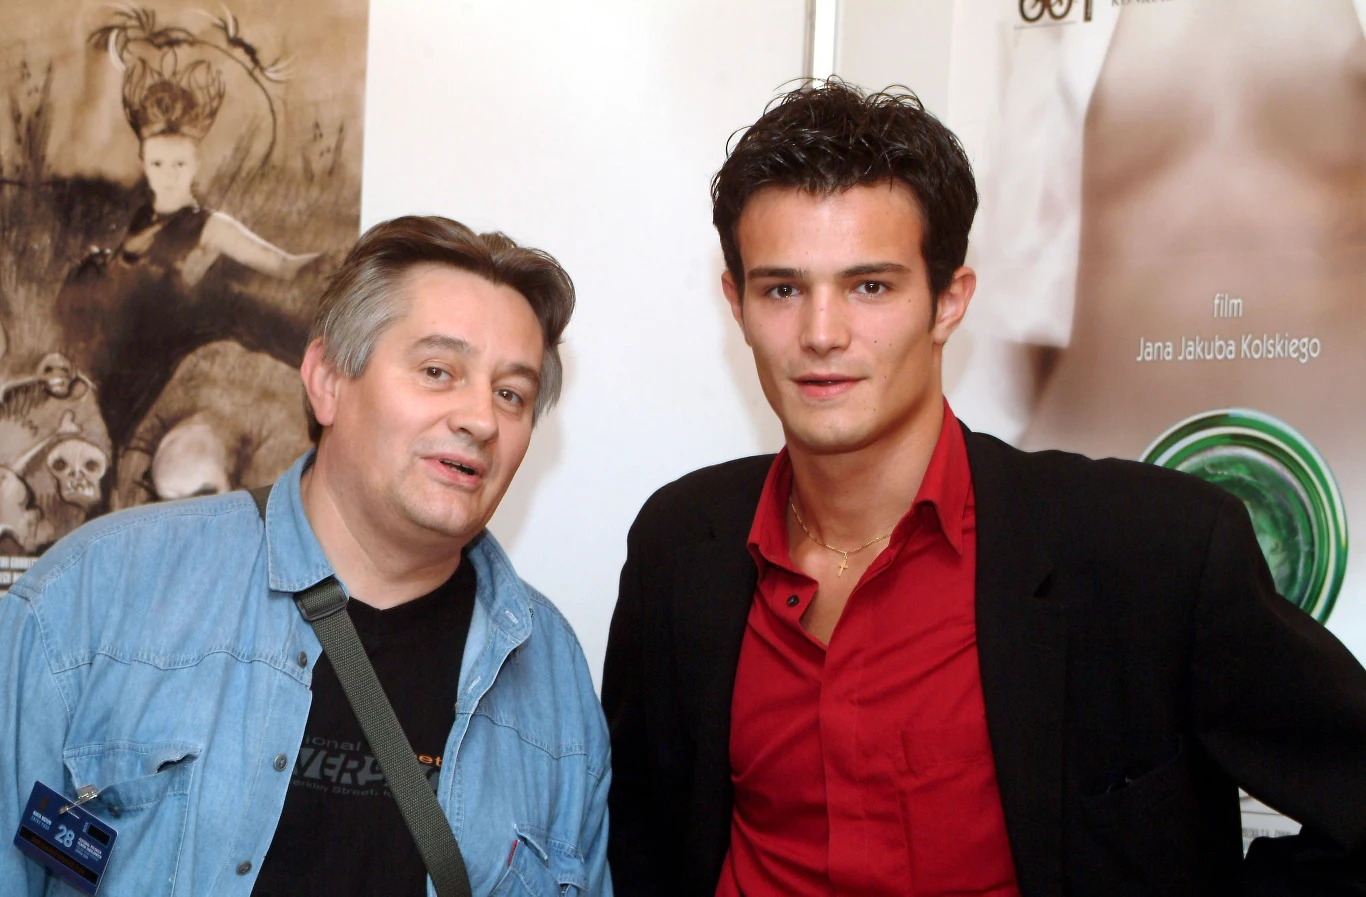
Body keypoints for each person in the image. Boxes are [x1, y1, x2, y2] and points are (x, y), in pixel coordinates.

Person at [602, 81, 1366, 896]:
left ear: (948, 302)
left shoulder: (1154, 549)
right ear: (737, 303)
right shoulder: (679, 545)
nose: (821, 333)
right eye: (782, 289)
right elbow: (637, 842)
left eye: (870, 286)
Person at [1, 215, 611, 895]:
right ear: (326, 380)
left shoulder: (551, 670)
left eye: (510, 394)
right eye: (438, 371)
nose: (481, 419)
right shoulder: (95, 593)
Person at [56, 57, 321, 460]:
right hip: (119, 351)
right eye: (158, 163)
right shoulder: (142, 219)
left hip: (161, 354)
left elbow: (283, 264)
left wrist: (331, 259)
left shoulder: (212, 226)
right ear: (144, 165)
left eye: (180, 163)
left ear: (196, 164)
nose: (169, 174)